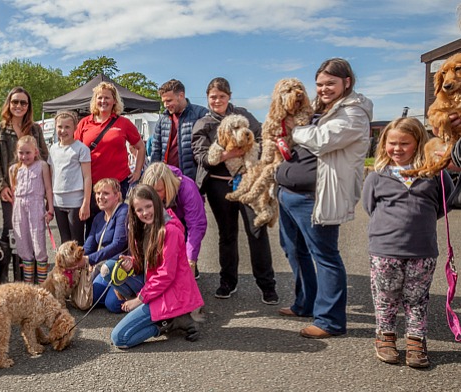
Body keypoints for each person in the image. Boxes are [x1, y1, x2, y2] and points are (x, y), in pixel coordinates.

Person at [275, 58, 373, 339]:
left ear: (347, 82)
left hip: (316, 197)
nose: (323, 89)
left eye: (330, 83)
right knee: (294, 250)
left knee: (325, 256)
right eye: (319, 84)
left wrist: (293, 130)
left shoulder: (354, 113)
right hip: (289, 195)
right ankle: (304, 303)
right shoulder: (319, 108)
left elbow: (322, 140)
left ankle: (330, 321)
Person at [362, 117, 451, 368]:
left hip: (422, 250)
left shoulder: (435, 175)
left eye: (405, 143)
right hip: (384, 250)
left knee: (417, 297)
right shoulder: (377, 176)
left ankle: (415, 339)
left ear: (418, 143)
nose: (397, 149)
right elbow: (370, 206)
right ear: (384, 145)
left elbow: (442, 205)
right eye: (392, 143)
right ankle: (385, 335)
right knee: (386, 296)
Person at [191, 77, 279, 304]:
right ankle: (228, 281)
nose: (217, 100)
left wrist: (251, 150)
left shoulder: (244, 115)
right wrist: (229, 154)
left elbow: (262, 136)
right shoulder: (203, 123)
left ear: (229, 96)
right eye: (213, 97)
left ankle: (267, 285)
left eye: (222, 96)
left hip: (247, 180)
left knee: (256, 231)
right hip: (219, 186)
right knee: (227, 235)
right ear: (207, 98)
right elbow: (202, 157)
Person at [110, 184, 204, 348]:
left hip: (170, 293)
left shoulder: (171, 231)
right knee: (110, 269)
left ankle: (170, 322)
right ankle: (164, 318)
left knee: (120, 338)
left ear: (156, 202)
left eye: (148, 206)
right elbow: (148, 263)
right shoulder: (145, 226)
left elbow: (165, 275)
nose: (145, 213)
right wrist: (132, 262)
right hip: (155, 288)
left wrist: (139, 300)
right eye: (139, 210)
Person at [0, 87, 48, 282]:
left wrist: (44, 188)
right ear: (9, 104)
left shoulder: (35, 129)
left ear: (28, 106)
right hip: (9, 190)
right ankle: (6, 275)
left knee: (33, 234)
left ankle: (27, 279)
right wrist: (1, 185)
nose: (19, 106)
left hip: (33, 190)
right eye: (15, 102)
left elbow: (44, 156)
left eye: (23, 102)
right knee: (10, 231)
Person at [74, 81, 145, 232]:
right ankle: (93, 255)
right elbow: (75, 152)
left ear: (114, 101)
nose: (103, 101)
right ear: (95, 100)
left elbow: (140, 146)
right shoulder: (84, 123)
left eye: (107, 98)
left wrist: (138, 171)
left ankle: (114, 255)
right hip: (92, 185)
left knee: (114, 225)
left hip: (117, 183)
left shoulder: (123, 123)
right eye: (99, 97)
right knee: (93, 226)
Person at [141, 162, 206, 278]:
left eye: (158, 191)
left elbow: (196, 225)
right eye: (151, 191)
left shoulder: (188, 188)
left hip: (184, 219)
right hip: (166, 219)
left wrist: (191, 259)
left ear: (168, 185)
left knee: (184, 253)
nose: (154, 196)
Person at [10, 136, 54, 284]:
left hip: (36, 205)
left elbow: (48, 188)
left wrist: (50, 209)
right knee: (23, 243)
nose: (24, 156)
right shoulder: (14, 169)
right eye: (21, 153)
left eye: (28, 152)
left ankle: (43, 285)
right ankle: (28, 284)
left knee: (38, 243)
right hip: (19, 208)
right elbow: (13, 191)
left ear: (35, 152)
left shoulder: (42, 165)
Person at [84, 178, 130, 313]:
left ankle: (134, 294)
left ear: (117, 195)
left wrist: (90, 259)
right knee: (89, 299)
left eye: (105, 193)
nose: (100, 197)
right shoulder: (99, 217)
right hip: (103, 264)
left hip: (120, 264)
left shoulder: (123, 211)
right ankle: (110, 289)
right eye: (97, 193)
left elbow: (118, 244)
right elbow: (88, 245)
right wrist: (77, 258)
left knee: (113, 305)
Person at [47, 111, 91, 245]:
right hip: (58, 200)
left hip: (75, 201)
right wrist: (48, 202)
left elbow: (87, 177)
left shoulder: (81, 149)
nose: (63, 130)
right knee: (64, 240)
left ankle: (79, 266)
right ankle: (66, 266)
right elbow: (51, 175)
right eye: (60, 127)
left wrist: (86, 203)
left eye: (67, 127)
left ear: (74, 128)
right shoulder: (53, 149)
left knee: (76, 240)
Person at [150, 79, 208, 180]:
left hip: (192, 178)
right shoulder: (163, 119)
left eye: (169, 100)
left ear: (181, 96)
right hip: (167, 179)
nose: (165, 105)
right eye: (163, 102)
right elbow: (156, 150)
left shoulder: (200, 114)